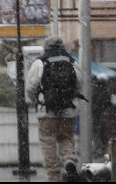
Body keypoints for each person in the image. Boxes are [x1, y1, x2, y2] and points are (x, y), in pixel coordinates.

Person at [25, 35, 84, 182]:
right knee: (66, 138)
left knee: (48, 141)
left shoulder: (40, 63)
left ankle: (53, 176)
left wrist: (35, 101)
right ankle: (70, 162)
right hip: (67, 110)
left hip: (47, 111)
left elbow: (30, 87)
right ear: (62, 47)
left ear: (46, 48)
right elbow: (79, 84)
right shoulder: (72, 62)